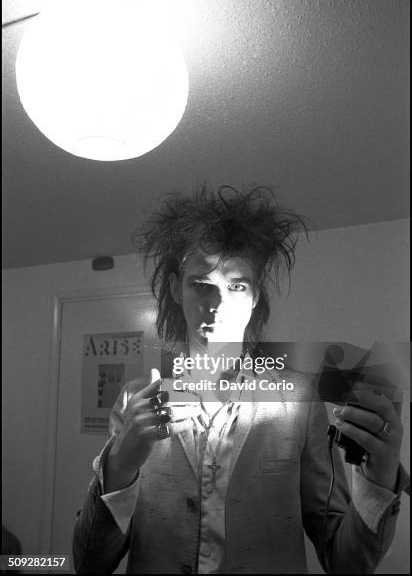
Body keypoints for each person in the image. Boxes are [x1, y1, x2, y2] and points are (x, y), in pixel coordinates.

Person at [73, 186, 408, 574]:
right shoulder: (136, 397)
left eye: (236, 286)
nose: (216, 304)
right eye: (201, 284)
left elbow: (346, 562)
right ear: (175, 290)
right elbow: (90, 562)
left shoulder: (299, 401)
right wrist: (119, 464)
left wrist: (377, 481)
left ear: (254, 298)